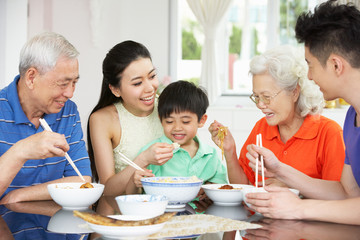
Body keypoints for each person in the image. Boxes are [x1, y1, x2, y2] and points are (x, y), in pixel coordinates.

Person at [245, 0, 360, 225]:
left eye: (310, 64)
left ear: (336, 65)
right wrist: (280, 170)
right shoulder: (352, 117)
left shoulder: (333, 128)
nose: (308, 76)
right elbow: (348, 192)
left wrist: (299, 207)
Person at [209, 45, 345, 190]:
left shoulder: (329, 133)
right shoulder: (261, 128)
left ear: (294, 92)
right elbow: (244, 187)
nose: (260, 105)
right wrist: (230, 151)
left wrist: (292, 190)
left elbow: (338, 198)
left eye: (267, 97)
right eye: (256, 97)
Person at [0, 32, 92, 204]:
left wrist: (19, 196)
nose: (70, 93)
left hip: (51, 225)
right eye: (63, 84)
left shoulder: (67, 111)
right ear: (31, 77)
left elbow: (82, 180)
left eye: (74, 83)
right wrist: (21, 151)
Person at [87, 40, 164, 196]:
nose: (150, 88)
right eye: (137, 83)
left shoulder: (167, 108)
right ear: (115, 90)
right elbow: (107, 189)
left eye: (152, 76)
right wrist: (143, 159)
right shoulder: (102, 120)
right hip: (123, 211)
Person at [127, 80, 228, 194]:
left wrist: (208, 192)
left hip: (198, 211)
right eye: (169, 121)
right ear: (161, 119)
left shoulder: (210, 155)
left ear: (201, 120)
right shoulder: (152, 152)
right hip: (161, 210)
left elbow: (222, 187)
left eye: (185, 121)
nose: (177, 128)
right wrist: (134, 182)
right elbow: (132, 194)